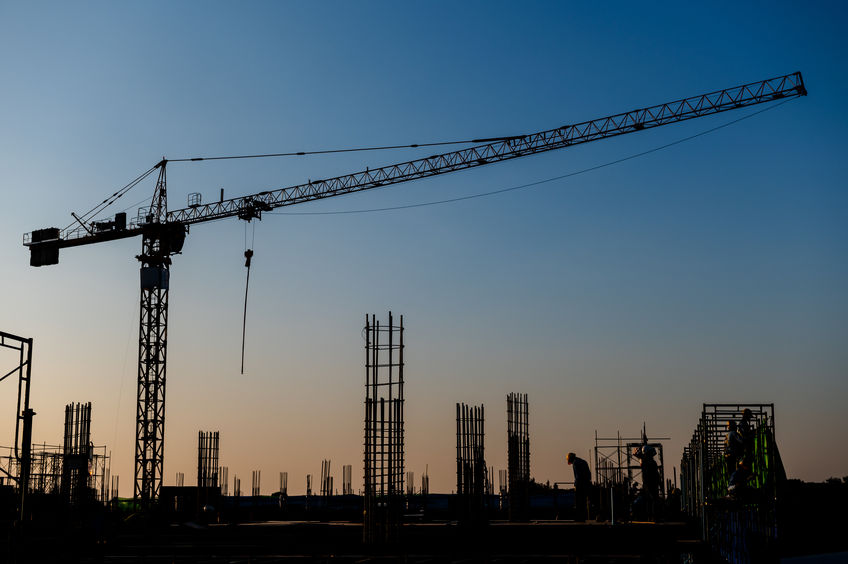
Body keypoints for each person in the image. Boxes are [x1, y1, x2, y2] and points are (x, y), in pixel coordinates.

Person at [567, 452, 591, 522]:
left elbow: (578, 476)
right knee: (583, 502)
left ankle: (579, 518)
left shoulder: (575, 463)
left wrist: (576, 485)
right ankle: (583, 518)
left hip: (580, 485)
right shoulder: (583, 461)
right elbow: (588, 474)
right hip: (586, 484)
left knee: (578, 502)